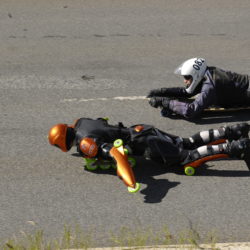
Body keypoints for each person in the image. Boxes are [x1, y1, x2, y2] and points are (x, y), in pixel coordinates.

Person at [48, 117, 250, 172]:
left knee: (186, 159)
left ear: (62, 141)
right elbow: (102, 121)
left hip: (146, 144)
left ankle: (235, 147)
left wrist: (130, 182)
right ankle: (232, 130)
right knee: (186, 142)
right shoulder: (81, 122)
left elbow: (115, 155)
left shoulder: (84, 143)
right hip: (142, 129)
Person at [147, 58, 250, 119]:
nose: (185, 81)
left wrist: (166, 103)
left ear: (196, 75)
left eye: (187, 77)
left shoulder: (210, 87)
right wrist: (163, 92)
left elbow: (191, 111)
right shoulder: (208, 72)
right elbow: (188, 92)